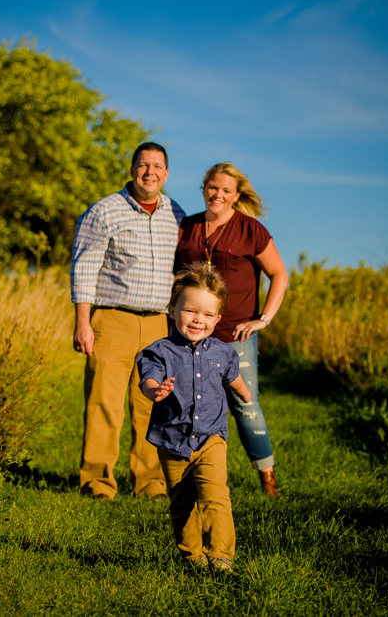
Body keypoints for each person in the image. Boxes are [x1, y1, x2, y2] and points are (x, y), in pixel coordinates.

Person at [70, 142, 185, 501]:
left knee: (152, 402)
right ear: (132, 168)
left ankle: (150, 480)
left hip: (157, 325)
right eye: (143, 165)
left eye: (157, 166)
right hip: (112, 319)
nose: (149, 172)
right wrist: (82, 322)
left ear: (166, 173)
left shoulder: (176, 214)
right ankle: (97, 481)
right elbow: (84, 267)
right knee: (104, 402)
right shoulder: (104, 211)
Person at [174, 162, 288, 497]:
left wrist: (263, 319)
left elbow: (279, 275)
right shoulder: (188, 226)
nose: (218, 195)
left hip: (235, 336)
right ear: (204, 188)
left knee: (245, 403)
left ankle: (267, 477)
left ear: (236, 195)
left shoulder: (251, 229)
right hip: (190, 334)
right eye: (212, 187)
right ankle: (191, 474)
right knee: (190, 405)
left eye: (226, 190)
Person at [138, 262, 251, 572]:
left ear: (217, 318)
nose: (198, 319)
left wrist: (244, 392)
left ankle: (221, 556)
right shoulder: (158, 351)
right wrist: (155, 390)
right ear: (172, 310)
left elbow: (232, 376)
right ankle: (193, 558)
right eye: (189, 311)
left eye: (207, 314)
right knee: (183, 505)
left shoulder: (223, 352)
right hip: (172, 440)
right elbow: (149, 376)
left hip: (211, 437)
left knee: (216, 496)